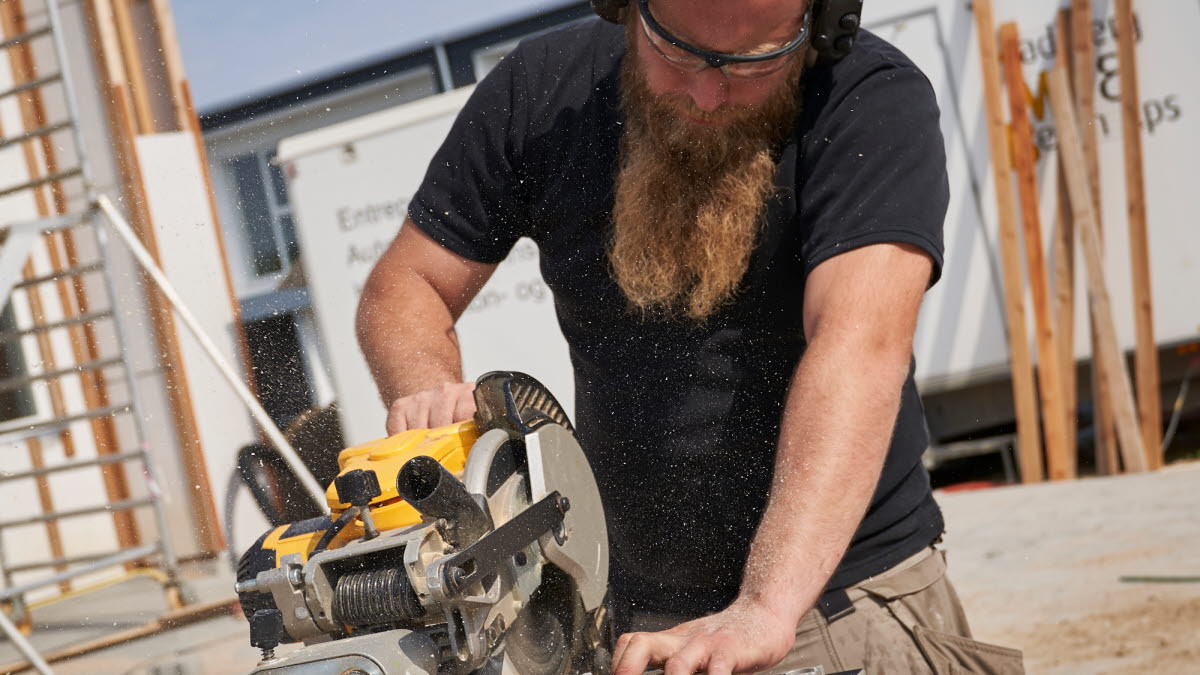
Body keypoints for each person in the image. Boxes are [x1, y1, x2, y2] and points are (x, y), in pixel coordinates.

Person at [357, 0, 1024, 672]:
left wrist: (767, 605)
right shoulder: (543, 92)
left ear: (819, 25)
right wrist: (429, 399)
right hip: (629, 621)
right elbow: (406, 284)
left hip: (835, 602)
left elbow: (859, 349)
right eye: (677, 52)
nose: (707, 92)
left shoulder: (870, 101)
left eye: (755, 62)